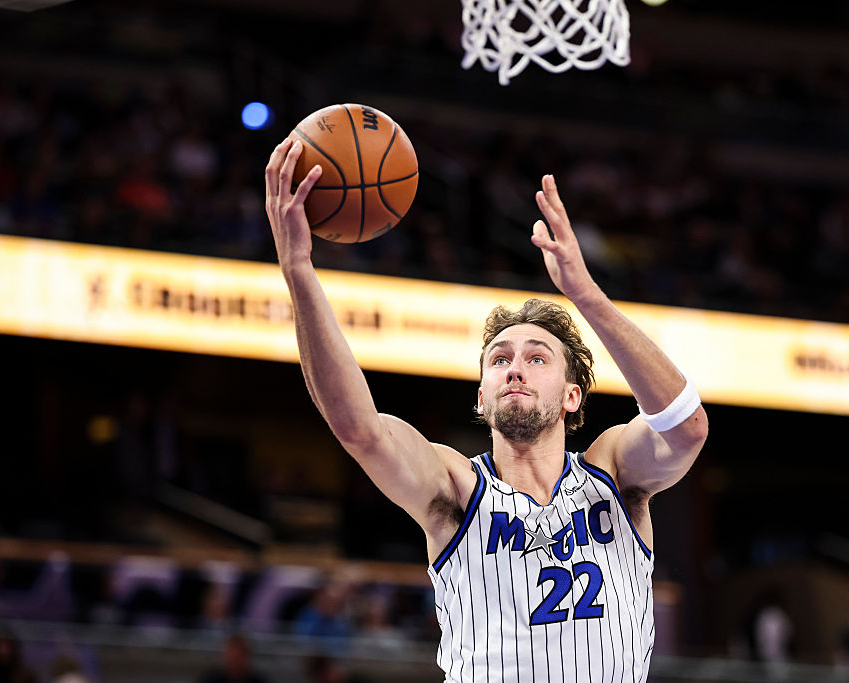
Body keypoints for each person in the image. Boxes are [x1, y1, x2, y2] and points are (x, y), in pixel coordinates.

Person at [265, 139, 708, 682]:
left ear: (572, 396)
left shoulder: (614, 470)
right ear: (482, 396)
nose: (515, 368)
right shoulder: (455, 488)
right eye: (499, 360)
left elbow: (686, 427)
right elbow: (359, 429)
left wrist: (587, 296)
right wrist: (298, 269)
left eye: (537, 358)